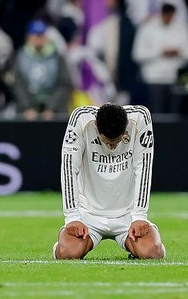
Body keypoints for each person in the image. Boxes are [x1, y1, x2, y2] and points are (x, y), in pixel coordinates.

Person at [54, 102, 166, 260]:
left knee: (153, 253)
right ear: (97, 128)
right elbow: (69, 168)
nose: (112, 148)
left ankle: (136, 249)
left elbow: (144, 166)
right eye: (107, 142)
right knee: (67, 254)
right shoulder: (81, 118)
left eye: (116, 142)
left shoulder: (140, 117)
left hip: (128, 215)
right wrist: (72, 217)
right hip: (89, 214)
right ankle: (63, 243)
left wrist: (139, 216)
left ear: (125, 127)